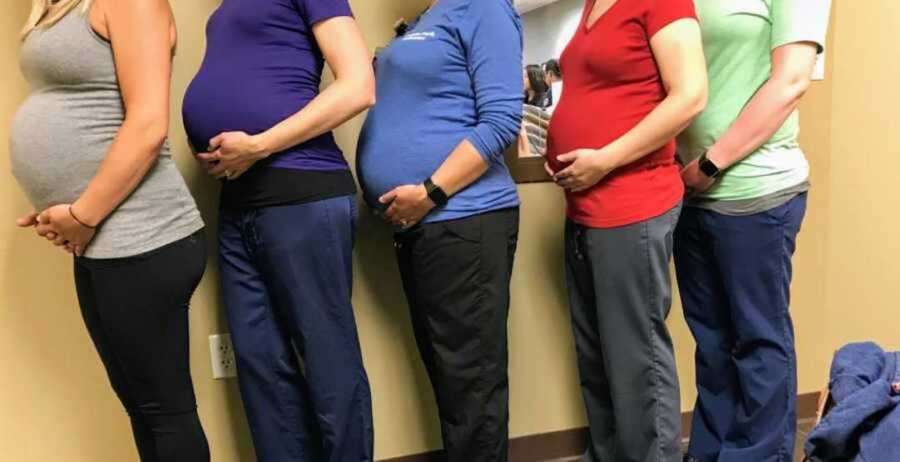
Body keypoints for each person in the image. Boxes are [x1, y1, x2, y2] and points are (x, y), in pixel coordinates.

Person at [10, 0, 209, 460]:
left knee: (165, 410)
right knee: (142, 405)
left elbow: (148, 124)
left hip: (145, 231)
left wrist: (81, 216)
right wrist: (60, 208)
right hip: (102, 236)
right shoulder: (61, 7)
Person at [181, 0, 376, 460]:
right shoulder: (227, 7)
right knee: (260, 363)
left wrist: (259, 145)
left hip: (302, 191)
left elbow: (358, 87)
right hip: (238, 202)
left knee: (327, 357)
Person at [356, 0, 523, 460]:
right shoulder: (430, 17)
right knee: (452, 378)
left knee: (472, 383)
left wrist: (429, 191)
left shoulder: (484, 8)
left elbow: (502, 120)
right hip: (425, 225)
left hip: (464, 217)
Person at [545, 0, 708, 460]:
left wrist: (604, 159)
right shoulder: (594, 6)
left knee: (637, 360)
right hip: (583, 208)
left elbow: (691, 94)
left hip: (631, 204)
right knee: (596, 356)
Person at [675, 1, 832, 460]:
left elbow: (791, 81)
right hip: (690, 195)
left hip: (757, 192)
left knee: (758, 340)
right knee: (712, 343)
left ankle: (759, 455)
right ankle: (708, 452)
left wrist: (709, 163)